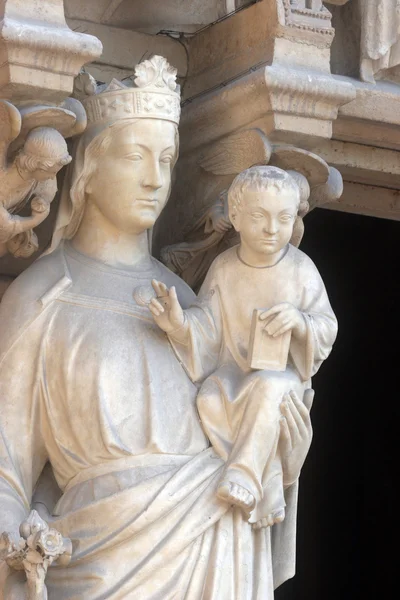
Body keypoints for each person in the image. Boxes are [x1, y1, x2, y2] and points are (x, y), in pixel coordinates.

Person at [0, 56, 314, 599]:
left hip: (214, 539)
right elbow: (6, 465)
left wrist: (283, 427)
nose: (155, 178)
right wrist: (14, 550)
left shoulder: (193, 298)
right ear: (90, 171)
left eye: (166, 159)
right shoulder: (45, 293)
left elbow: (241, 414)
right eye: (135, 156)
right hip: (95, 558)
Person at [150, 166, 337, 528]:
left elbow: (327, 327)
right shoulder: (224, 267)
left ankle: (246, 475)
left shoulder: (300, 269)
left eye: (283, 219)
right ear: (235, 217)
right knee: (207, 399)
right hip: (234, 378)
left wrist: (300, 323)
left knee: (269, 387)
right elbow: (208, 326)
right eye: (259, 216)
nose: (271, 229)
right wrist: (177, 324)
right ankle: (267, 482)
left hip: (282, 381)